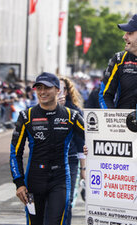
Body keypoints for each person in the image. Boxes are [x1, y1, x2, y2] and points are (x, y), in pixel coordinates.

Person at [9, 72, 85, 224]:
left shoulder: (72, 116)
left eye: (47, 88)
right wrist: (19, 183)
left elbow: (93, 137)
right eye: (39, 88)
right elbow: (15, 152)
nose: (42, 92)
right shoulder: (26, 116)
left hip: (60, 179)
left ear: (58, 90)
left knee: (54, 222)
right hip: (33, 181)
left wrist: (89, 150)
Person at [58, 76, 86, 225]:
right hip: (46, 163)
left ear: (66, 92)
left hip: (70, 161)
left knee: (66, 201)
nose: (57, 92)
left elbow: (82, 141)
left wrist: (84, 168)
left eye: (60, 89)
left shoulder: (74, 111)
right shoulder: (39, 110)